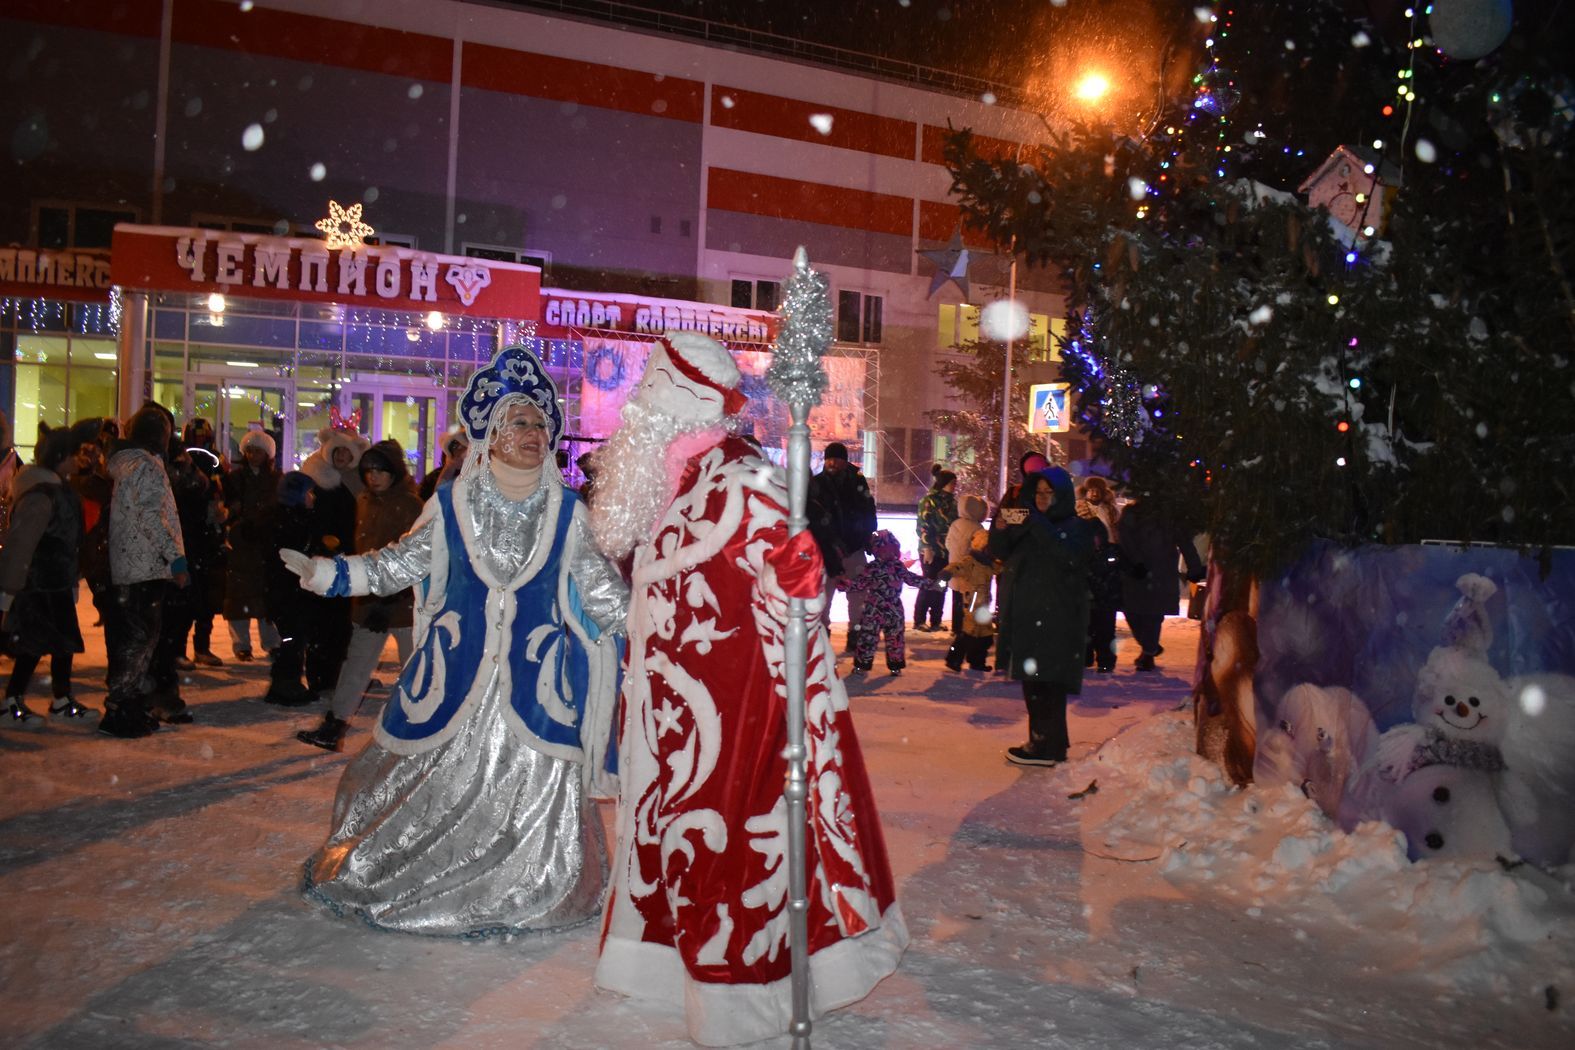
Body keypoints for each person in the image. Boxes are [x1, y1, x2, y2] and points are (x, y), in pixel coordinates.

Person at [589, 332, 905, 1047]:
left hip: (738, 717)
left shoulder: (742, 480)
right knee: (673, 847)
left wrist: (797, 573)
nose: (635, 405)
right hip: (672, 715)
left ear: (682, 402)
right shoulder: (677, 480)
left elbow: (791, 584)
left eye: (648, 391)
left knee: (727, 854)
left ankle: (743, 996)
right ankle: (675, 969)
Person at [285, 343, 627, 937]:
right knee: (417, 790)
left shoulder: (568, 514)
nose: (533, 432)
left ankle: (526, 889)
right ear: (491, 434)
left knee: (530, 803)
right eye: (519, 422)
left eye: (541, 423)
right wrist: (329, 574)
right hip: (452, 680)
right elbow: (396, 565)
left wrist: (671, 622)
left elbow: (605, 600)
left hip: (537, 692)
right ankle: (417, 878)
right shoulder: (451, 505)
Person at [297, 439, 423, 751]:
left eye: (380, 471)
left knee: (416, 668)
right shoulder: (364, 500)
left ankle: (422, 728)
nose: (373, 477)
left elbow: (416, 556)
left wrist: (390, 597)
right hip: (369, 599)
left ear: (393, 472)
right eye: (368, 471)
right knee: (356, 665)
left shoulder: (410, 505)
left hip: (403, 603)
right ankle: (334, 724)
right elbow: (366, 552)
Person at [988, 468, 1099, 766]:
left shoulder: (1076, 527)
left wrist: (1036, 524)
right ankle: (1049, 743)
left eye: (1048, 493)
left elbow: (1068, 556)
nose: (1041, 499)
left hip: (1055, 618)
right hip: (1026, 615)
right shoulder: (1026, 524)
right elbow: (997, 550)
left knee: (1046, 682)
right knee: (1033, 680)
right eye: (1037, 492)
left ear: (1061, 495)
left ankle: (1044, 745)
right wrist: (999, 526)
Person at [1, 420, 102, 726]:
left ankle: (59, 698)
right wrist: (8, 589)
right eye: (74, 454)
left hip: (55, 582)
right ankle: (12, 703)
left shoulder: (58, 489)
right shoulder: (41, 494)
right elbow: (21, 543)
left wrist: (70, 578)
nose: (79, 459)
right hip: (37, 586)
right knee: (35, 645)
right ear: (60, 457)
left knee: (60, 643)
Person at [99, 404, 190, 738]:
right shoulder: (145, 466)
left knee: (134, 640)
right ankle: (120, 708)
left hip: (133, 565)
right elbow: (154, 516)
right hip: (145, 566)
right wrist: (176, 558)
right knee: (138, 642)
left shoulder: (129, 463)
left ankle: (127, 704)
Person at [299, 424, 369, 700]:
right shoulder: (316, 479)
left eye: (346, 454)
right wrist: (322, 542)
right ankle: (320, 678)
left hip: (350, 559)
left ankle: (337, 675)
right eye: (337, 453)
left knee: (341, 625)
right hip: (324, 559)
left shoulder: (358, 482)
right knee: (322, 624)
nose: (341, 458)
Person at [1118, 496, 1206, 672]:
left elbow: (1184, 542)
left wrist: (1194, 567)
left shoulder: (1169, 515)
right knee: (1133, 612)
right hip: (1138, 571)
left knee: (1152, 614)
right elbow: (1125, 540)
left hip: (1160, 571)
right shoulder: (1131, 514)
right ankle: (1149, 646)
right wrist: (1135, 563)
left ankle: (1148, 653)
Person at [841, 529, 944, 676]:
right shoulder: (879, 567)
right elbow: (860, 583)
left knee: (889, 638)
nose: (888, 554)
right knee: (872, 637)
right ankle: (865, 665)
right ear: (877, 551)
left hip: (882, 608)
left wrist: (933, 584)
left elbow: (912, 579)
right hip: (881, 608)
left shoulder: (888, 567)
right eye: (884, 550)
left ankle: (886, 665)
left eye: (891, 550)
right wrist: (846, 584)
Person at [806, 440, 877, 649]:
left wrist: (865, 536)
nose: (833, 463)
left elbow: (868, 512)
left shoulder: (857, 482)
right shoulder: (816, 484)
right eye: (829, 458)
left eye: (837, 459)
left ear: (845, 462)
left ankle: (855, 635)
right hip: (826, 551)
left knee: (857, 597)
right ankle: (822, 637)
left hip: (853, 548)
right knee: (823, 597)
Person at [263, 472, 322, 707]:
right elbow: (290, 558)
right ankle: (285, 683)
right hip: (287, 591)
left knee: (294, 638)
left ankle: (287, 681)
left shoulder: (291, 518)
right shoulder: (290, 521)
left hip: (287, 591)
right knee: (292, 638)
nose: (313, 498)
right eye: (309, 493)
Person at [222, 429, 281, 660]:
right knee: (239, 598)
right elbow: (228, 507)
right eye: (249, 451)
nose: (253, 456)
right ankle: (241, 644)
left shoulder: (276, 480)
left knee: (265, 599)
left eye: (257, 451)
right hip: (242, 543)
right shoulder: (235, 479)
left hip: (266, 544)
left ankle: (271, 642)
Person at [1078, 477, 1125, 673]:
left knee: (1105, 621)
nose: (1094, 493)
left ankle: (1105, 658)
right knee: (1087, 619)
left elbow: (1117, 535)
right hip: (1088, 564)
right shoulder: (1079, 509)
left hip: (1108, 565)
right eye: (1091, 490)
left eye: (1098, 490)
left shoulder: (1112, 511)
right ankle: (1086, 655)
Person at [944, 529, 998, 673]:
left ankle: (977, 661)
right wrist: (947, 572)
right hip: (972, 602)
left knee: (985, 635)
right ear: (982, 547)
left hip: (984, 604)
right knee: (969, 633)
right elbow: (957, 566)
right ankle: (953, 659)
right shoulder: (970, 561)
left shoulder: (989, 564)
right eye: (989, 548)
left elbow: (1001, 568)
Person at [913, 466, 957, 632]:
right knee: (929, 583)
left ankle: (936, 620)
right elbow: (923, 525)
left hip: (947, 551)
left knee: (941, 586)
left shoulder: (953, 502)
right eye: (952, 483)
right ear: (943, 483)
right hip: (931, 551)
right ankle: (919, 620)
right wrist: (927, 547)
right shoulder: (929, 501)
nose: (954, 486)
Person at [418, 425, 468, 502]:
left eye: (462, 446)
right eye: (454, 446)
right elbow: (433, 503)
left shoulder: (479, 473)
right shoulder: (433, 478)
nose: (459, 451)